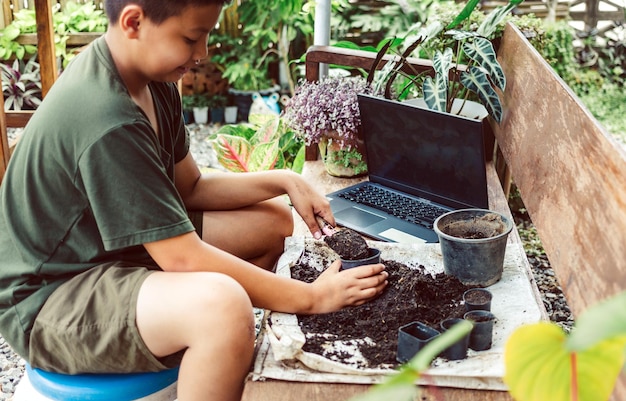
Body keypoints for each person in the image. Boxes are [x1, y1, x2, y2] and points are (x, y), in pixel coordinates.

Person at [0, 1, 388, 400]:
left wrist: (285, 180)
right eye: (191, 38)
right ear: (134, 22)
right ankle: (209, 339)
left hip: (107, 250)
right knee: (223, 310)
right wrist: (312, 298)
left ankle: (205, 351)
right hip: (50, 297)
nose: (202, 53)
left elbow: (192, 188)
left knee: (272, 220)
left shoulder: (153, 81)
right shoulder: (108, 117)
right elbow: (182, 258)